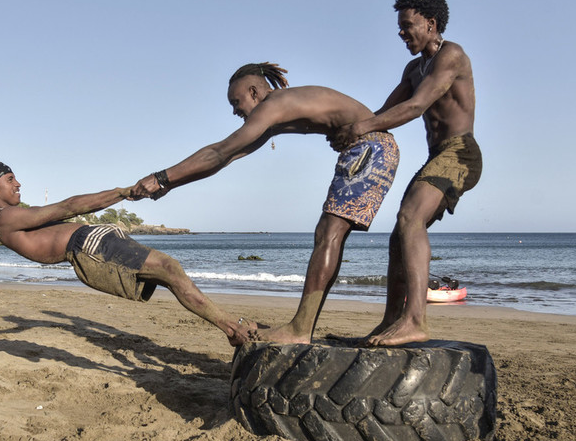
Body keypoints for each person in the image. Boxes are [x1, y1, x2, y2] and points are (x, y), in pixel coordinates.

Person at [131, 63, 399, 343]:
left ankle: (300, 329)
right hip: (370, 148)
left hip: (371, 147)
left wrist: (161, 176)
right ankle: (302, 328)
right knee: (329, 233)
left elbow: (219, 150)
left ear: (254, 91)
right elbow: (223, 160)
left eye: (236, 102)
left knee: (329, 233)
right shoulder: (275, 116)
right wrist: (169, 184)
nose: (235, 111)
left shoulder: (273, 104)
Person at [332, 0, 482, 346]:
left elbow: (415, 107)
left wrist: (360, 128)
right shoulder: (414, 68)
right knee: (400, 236)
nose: (401, 34)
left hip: (461, 154)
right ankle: (389, 323)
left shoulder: (452, 55)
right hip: (437, 158)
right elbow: (380, 116)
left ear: (431, 24)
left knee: (408, 219)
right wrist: (341, 127)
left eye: (407, 26)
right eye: (399, 28)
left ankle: (416, 320)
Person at [0, 161, 256, 346]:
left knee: (170, 273)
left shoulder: (15, 215)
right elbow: (68, 207)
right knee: (169, 268)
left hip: (93, 243)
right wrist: (122, 192)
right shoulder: (5, 219)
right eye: (10, 179)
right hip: (89, 248)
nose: (18, 184)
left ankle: (232, 327)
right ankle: (233, 328)